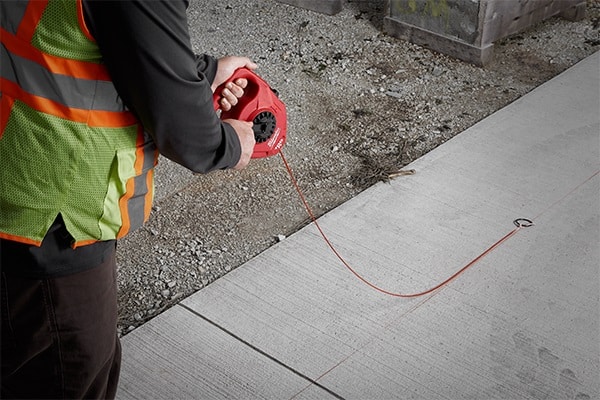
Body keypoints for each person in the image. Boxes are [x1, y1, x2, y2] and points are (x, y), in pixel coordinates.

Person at [0, 0, 257, 398]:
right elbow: (184, 130)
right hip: (50, 215)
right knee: (67, 376)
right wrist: (228, 145)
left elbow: (73, 34)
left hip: (13, 174)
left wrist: (196, 73)